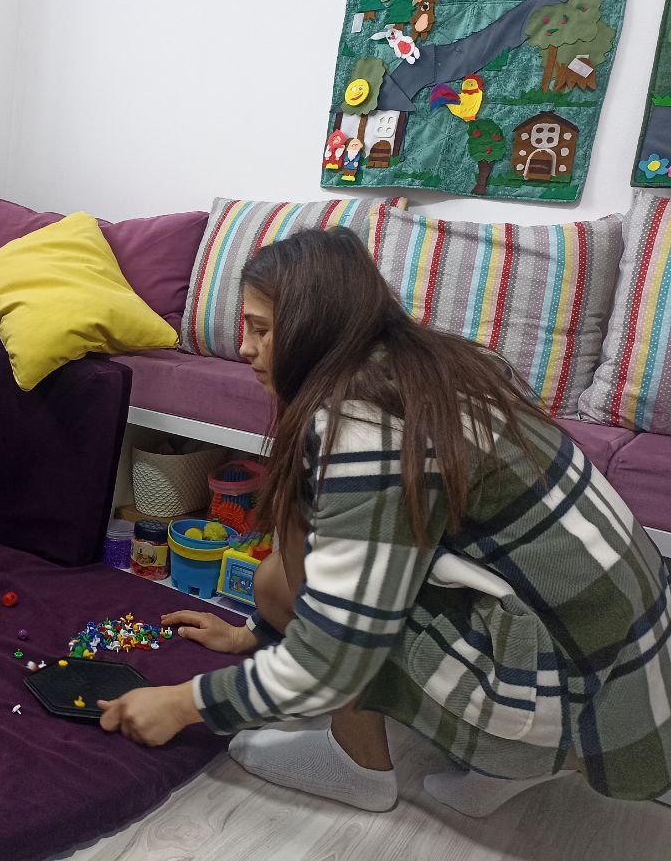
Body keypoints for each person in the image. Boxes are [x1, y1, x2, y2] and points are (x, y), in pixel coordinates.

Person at [98, 227, 671, 816]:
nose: (245, 348)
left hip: (576, 678)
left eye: (262, 330)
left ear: (315, 326)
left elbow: (334, 650)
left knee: (320, 595)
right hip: (608, 638)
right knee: (280, 574)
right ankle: (499, 766)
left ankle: (360, 767)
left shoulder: (362, 425)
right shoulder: (435, 362)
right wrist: (251, 636)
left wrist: (183, 704)